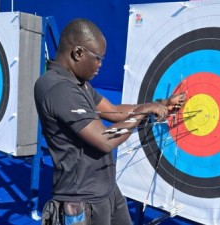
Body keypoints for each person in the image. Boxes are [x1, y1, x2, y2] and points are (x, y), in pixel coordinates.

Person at [34, 18, 186, 225]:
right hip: (81, 201)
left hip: (107, 190)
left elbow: (114, 112)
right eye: (98, 58)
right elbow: (104, 139)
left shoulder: (78, 84)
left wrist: (161, 104)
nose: (100, 65)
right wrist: (142, 111)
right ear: (78, 53)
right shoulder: (58, 88)